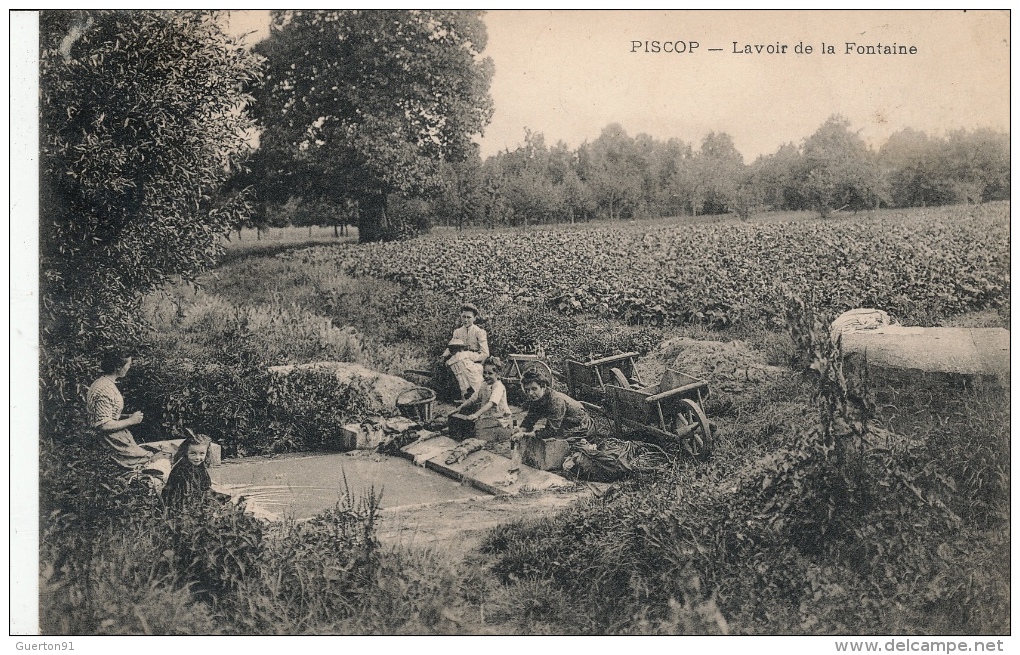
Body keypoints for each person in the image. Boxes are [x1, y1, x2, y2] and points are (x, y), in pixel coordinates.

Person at [85, 349, 171, 481]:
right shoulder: (104, 390)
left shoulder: (104, 383)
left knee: (156, 455)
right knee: (158, 459)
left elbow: (107, 415)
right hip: (110, 441)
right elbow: (103, 424)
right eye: (128, 364)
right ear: (118, 367)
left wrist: (126, 416)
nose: (129, 367)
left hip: (115, 437)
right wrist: (131, 420)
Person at [514, 366, 594, 441]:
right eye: (527, 390)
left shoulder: (555, 401)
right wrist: (521, 429)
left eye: (534, 389)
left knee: (552, 441)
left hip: (581, 426)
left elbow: (551, 431)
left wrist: (525, 435)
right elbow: (530, 419)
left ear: (543, 387)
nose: (530, 393)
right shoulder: (537, 398)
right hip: (563, 423)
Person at [162, 429, 231, 510]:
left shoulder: (199, 466)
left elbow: (204, 485)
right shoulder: (182, 469)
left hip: (195, 495)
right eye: (193, 453)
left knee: (223, 498)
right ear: (186, 452)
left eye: (202, 454)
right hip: (181, 499)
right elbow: (183, 494)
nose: (198, 458)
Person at [451, 357, 512, 428]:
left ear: (498, 374)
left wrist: (476, 414)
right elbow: (473, 399)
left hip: (500, 418)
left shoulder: (498, 386)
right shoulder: (484, 384)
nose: (486, 376)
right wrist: (459, 408)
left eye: (490, 373)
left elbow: (491, 403)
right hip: (488, 416)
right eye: (484, 372)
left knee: (474, 427)